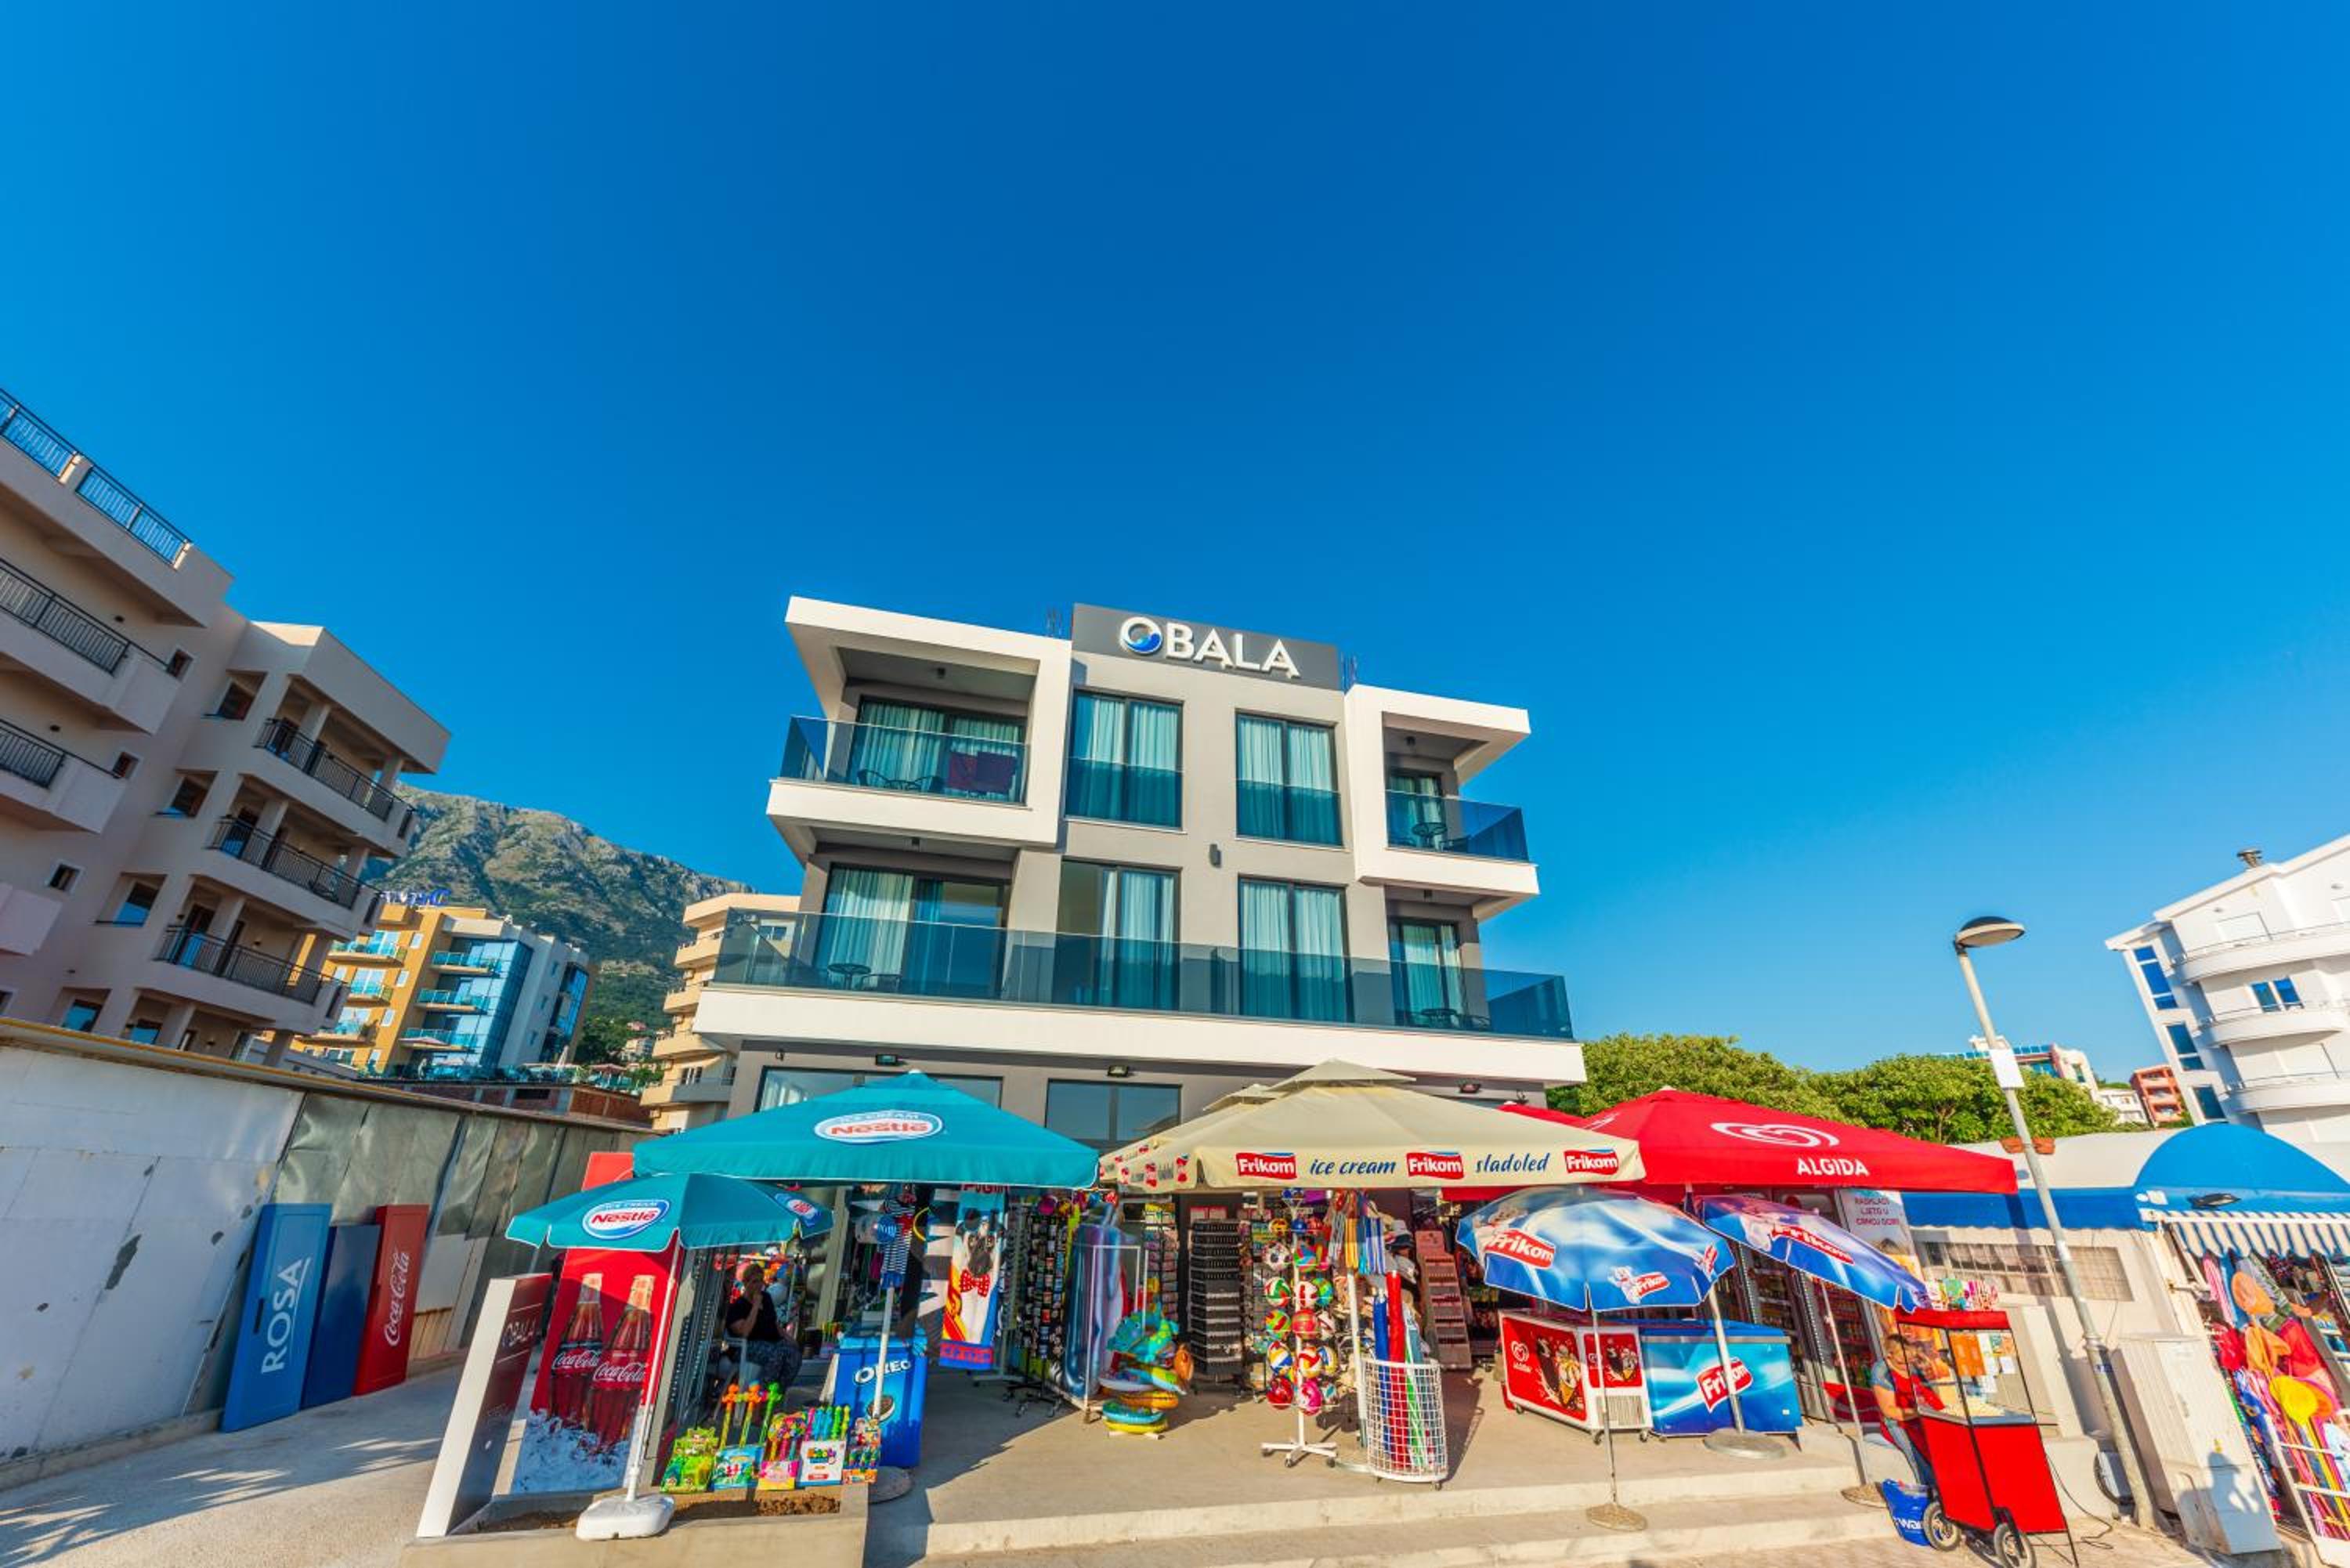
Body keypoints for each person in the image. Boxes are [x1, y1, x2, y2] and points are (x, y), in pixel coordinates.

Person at [1867, 1333, 1945, 1487]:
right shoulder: (1881, 1372)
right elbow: (1889, 1410)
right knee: (1918, 1459)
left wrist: (1941, 1411)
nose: (1906, 1366)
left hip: (1922, 1418)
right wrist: (1918, 1412)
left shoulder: (1913, 1366)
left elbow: (1928, 1393)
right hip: (1898, 1423)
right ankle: (1930, 1489)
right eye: (1901, 1362)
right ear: (1890, 1355)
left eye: (1909, 1361)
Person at [727, 1260, 801, 1390]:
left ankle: (778, 1392)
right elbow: (745, 1332)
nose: (758, 1285)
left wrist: (789, 1339)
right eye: (754, 1282)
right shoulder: (738, 1306)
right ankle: (760, 1392)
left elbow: (773, 1323)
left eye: (760, 1281)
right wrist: (755, 1306)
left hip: (771, 1342)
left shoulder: (766, 1298)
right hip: (748, 1346)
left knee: (794, 1354)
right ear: (745, 1283)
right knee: (776, 1354)